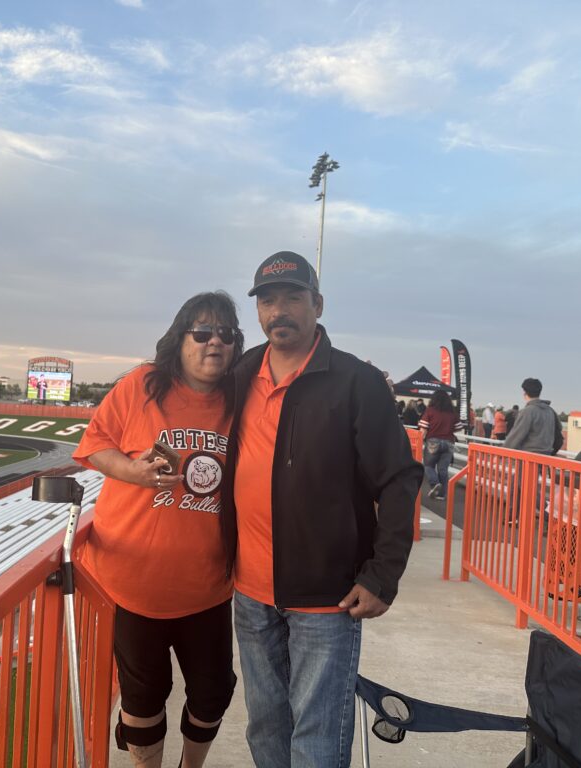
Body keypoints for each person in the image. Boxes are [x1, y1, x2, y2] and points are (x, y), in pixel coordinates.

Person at [220, 251, 422, 768]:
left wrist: (383, 575)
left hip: (327, 598)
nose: (278, 310)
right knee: (265, 728)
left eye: (292, 297)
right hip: (251, 591)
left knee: (316, 739)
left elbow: (399, 478)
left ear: (318, 304)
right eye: (267, 300)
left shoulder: (356, 381)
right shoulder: (242, 374)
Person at [73, 291, 244, 768]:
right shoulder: (143, 384)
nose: (216, 343)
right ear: (180, 337)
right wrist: (135, 473)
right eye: (203, 332)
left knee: (213, 693)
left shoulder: (239, 399)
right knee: (144, 697)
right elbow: (96, 444)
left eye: (227, 334)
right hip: (133, 582)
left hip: (209, 586)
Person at [419, 390, 463, 499]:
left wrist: (420, 440)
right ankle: (442, 494)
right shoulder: (452, 413)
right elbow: (459, 428)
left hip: (433, 441)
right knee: (443, 469)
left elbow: (423, 429)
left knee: (428, 466)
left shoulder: (430, 411)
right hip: (448, 443)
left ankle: (435, 484)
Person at [503, 379, 557, 455]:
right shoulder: (550, 411)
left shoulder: (527, 411)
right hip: (546, 458)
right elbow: (558, 435)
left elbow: (515, 437)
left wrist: (501, 454)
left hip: (529, 458)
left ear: (525, 392)